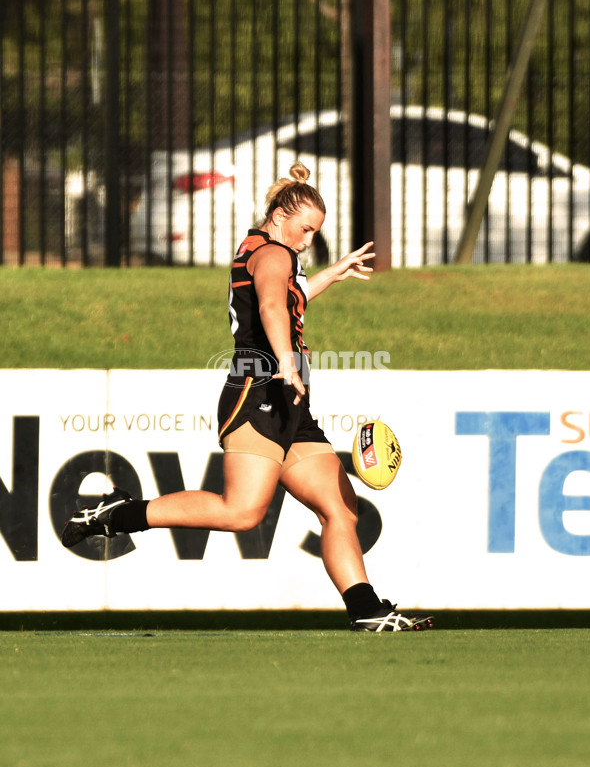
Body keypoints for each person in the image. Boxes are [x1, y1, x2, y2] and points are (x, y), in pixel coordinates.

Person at [61, 162, 433, 633]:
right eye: (305, 229)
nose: (309, 240)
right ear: (280, 214)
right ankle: (121, 512)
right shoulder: (274, 255)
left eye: (316, 232)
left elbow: (288, 299)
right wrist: (284, 360)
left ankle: (366, 611)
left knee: (339, 507)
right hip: (258, 391)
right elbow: (272, 307)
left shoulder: (266, 251)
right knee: (242, 512)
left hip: (289, 402)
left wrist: (329, 277)